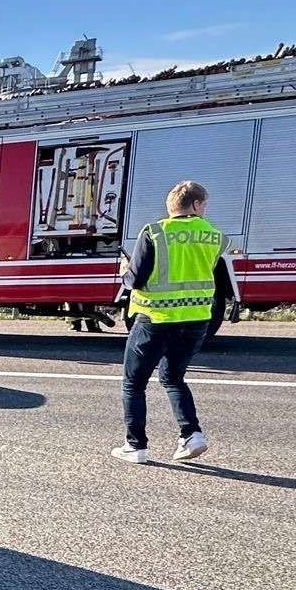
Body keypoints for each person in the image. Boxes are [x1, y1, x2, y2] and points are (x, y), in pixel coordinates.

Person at [111, 179, 224, 464]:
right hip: (197, 320)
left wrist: (125, 269)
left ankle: (135, 446)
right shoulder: (215, 236)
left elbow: (135, 281)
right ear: (195, 205)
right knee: (173, 378)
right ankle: (191, 434)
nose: (206, 209)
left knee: (133, 383)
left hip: (156, 318)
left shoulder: (155, 232)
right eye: (205, 204)